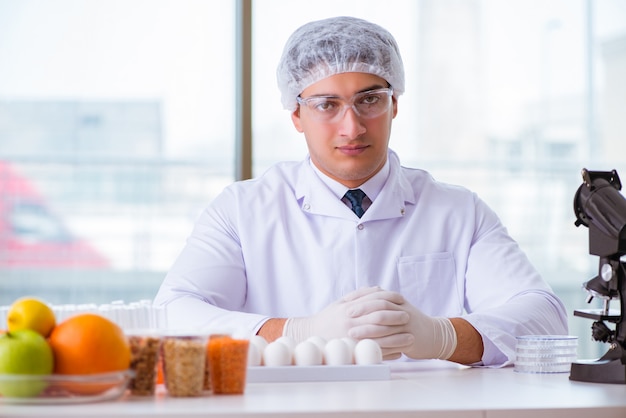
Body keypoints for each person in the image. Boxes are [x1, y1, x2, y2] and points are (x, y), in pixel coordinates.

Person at [154, 16, 568, 366]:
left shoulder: (459, 210)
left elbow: (545, 318)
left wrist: (442, 336)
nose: (351, 127)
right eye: (327, 105)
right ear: (296, 113)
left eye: (370, 100)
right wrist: (297, 332)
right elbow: (172, 313)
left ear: (395, 104)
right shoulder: (241, 210)